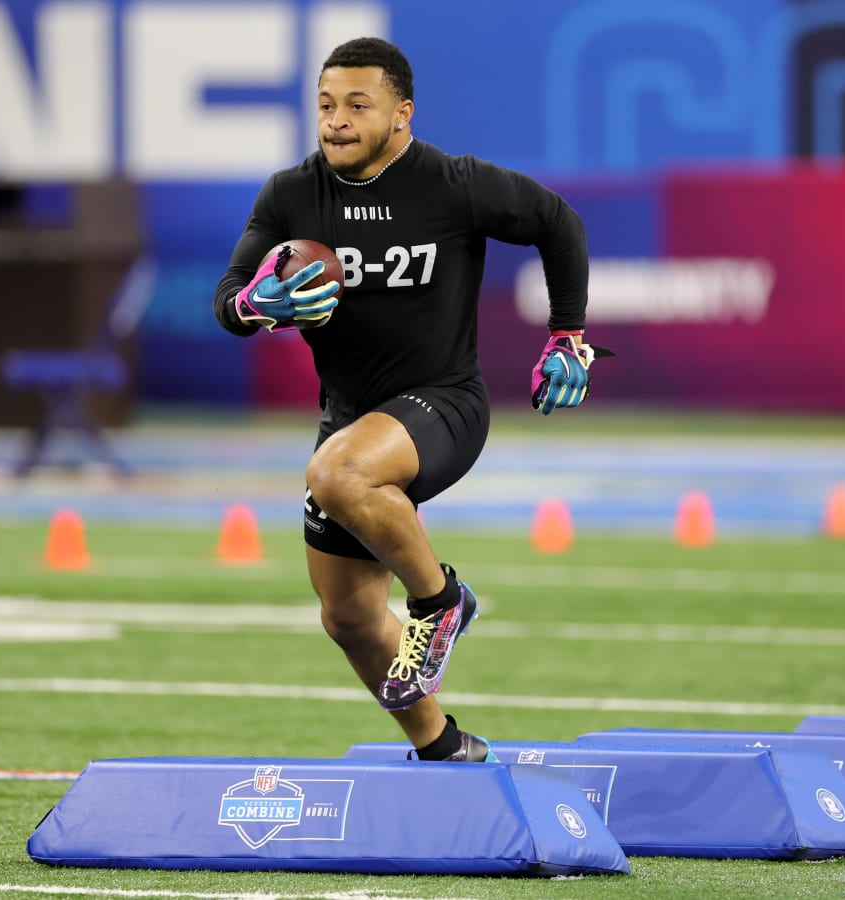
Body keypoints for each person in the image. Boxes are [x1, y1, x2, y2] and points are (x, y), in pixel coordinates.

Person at [213, 37, 607, 762]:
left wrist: (568, 335)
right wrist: (255, 303)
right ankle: (443, 745)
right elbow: (228, 300)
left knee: (337, 475)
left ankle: (439, 599)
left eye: (357, 106)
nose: (336, 121)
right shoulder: (291, 194)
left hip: (445, 403)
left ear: (402, 115)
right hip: (351, 419)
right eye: (326, 105)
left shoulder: (452, 183)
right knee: (350, 616)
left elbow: (559, 222)